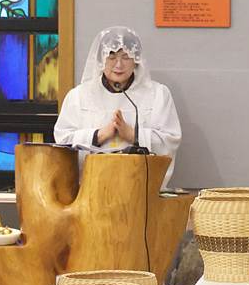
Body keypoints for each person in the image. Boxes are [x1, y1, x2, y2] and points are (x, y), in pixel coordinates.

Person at [53, 26, 183, 189]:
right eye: (111, 56)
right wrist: (98, 135)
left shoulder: (157, 94)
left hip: (139, 188)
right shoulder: (79, 96)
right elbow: (62, 140)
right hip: (91, 189)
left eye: (126, 57)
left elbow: (170, 140)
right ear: (101, 59)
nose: (119, 65)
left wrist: (133, 135)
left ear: (136, 60)